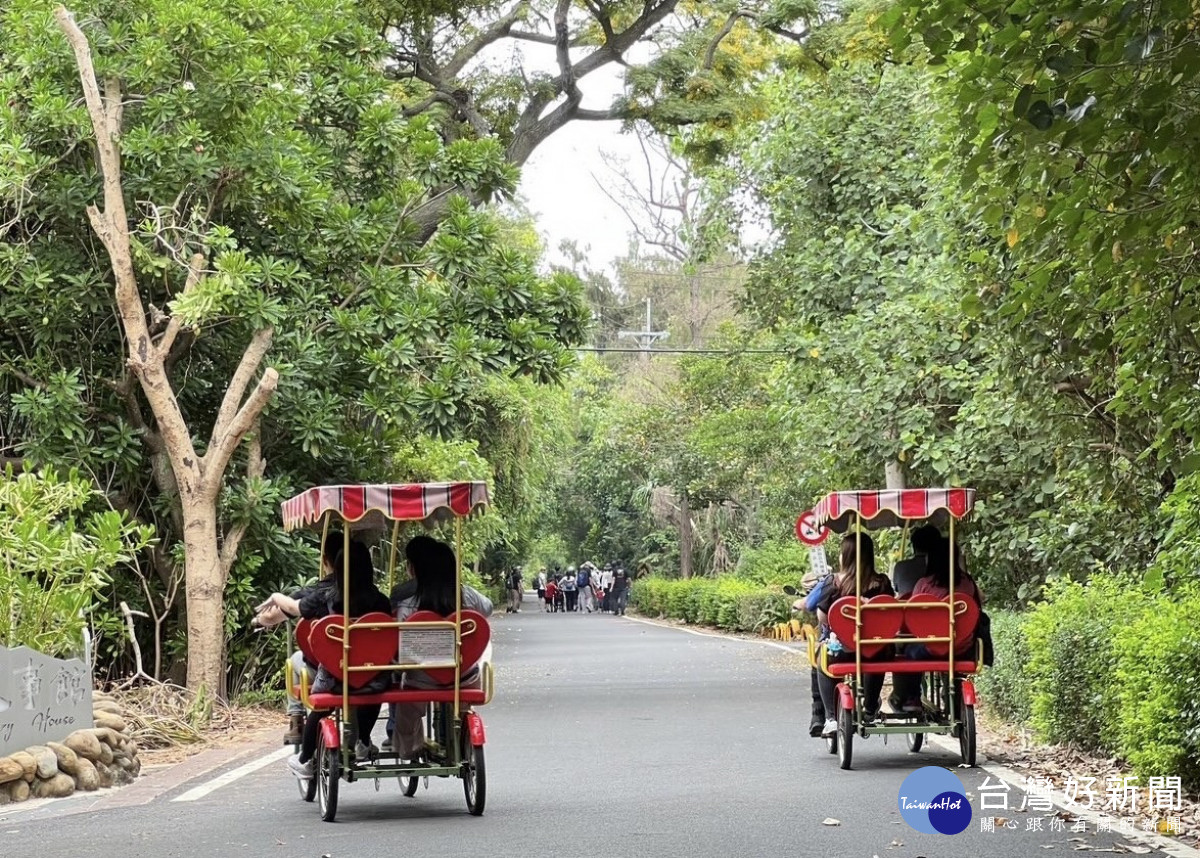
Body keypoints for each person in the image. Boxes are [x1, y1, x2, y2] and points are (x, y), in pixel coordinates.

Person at [258, 539, 391, 778]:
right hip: (373, 676)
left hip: (335, 675)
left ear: (334, 566)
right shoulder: (381, 601)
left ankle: (306, 758)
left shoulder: (325, 597)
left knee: (319, 704)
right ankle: (362, 739)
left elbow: (294, 608)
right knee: (371, 695)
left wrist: (277, 596)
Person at [392, 539, 493, 760]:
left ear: (414, 568)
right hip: (464, 676)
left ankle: (409, 748)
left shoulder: (407, 603)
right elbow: (488, 608)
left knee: (405, 710)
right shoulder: (466, 595)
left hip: (421, 681)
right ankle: (460, 730)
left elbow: (402, 644)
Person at [252, 539, 339, 744]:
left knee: (294, 661)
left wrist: (257, 620)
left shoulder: (316, 594)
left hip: (324, 670)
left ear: (325, 560)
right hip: (366, 669)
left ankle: (296, 720)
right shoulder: (374, 596)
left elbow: (273, 616)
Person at [890, 536, 985, 712]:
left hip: (931, 648)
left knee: (910, 652)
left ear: (931, 558)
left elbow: (913, 616)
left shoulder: (924, 585)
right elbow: (979, 604)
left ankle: (912, 697)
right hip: (962, 646)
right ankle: (955, 698)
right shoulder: (968, 583)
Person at [814, 534, 895, 738]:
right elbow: (891, 614)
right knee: (876, 653)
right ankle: (870, 709)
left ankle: (831, 718)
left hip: (842, 650)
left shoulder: (833, 583)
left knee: (821, 660)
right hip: (875, 650)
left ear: (845, 556)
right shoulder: (882, 583)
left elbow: (823, 616)